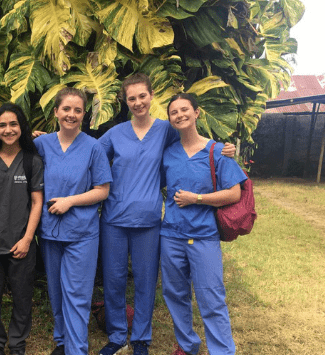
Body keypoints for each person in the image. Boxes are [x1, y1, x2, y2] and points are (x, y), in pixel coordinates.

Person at [97, 73, 235, 355]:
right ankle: (116, 334)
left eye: (142, 96)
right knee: (113, 279)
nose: (138, 102)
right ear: (125, 101)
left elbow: (192, 140)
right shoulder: (114, 134)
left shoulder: (165, 129)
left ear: (151, 96)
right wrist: (45, 141)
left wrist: (223, 147)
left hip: (148, 220)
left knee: (147, 282)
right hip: (114, 219)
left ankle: (141, 339)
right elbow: (86, 153)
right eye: (132, 98)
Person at [161, 93, 245, 355]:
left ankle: (222, 351)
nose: (180, 115)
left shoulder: (218, 151)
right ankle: (187, 346)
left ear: (197, 113)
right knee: (175, 295)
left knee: (211, 298)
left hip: (203, 236)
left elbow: (234, 193)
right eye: (174, 112)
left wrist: (196, 198)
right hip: (172, 235)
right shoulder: (168, 154)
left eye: (184, 109)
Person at [34, 87, 112, 355]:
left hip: (82, 233)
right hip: (49, 232)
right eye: (66, 109)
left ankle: (77, 349)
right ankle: (62, 342)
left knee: (77, 296)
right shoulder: (41, 145)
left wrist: (70, 201)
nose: (71, 114)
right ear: (55, 111)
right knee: (56, 292)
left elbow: (103, 190)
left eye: (77, 110)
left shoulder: (93, 147)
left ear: (84, 114)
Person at [0, 103, 44, 355]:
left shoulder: (31, 160)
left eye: (13, 124)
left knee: (22, 297)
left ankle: (17, 344)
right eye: (2, 125)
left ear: (21, 126)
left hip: (20, 242)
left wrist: (27, 238)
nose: (8, 129)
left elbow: (37, 202)